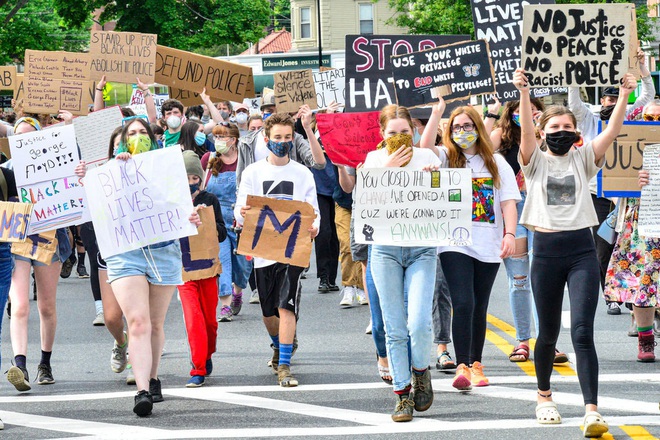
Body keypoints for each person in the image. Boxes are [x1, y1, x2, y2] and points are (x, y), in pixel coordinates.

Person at [513, 67, 637, 437]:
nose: (561, 133)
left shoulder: (584, 160)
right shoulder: (534, 161)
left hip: (581, 250)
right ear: (542, 133)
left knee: (583, 332)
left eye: (567, 128)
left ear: (577, 134)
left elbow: (613, 131)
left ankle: (591, 410)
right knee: (548, 334)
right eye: (554, 129)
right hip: (546, 252)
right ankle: (544, 397)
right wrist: (524, 92)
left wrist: (625, 93)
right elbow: (524, 135)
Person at [104, 118, 202, 416]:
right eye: (131, 134)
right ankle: (142, 389)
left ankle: (154, 375)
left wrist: (191, 217)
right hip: (126, 253)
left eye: (142, 133)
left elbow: (179, 205)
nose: (137, 137)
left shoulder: (166, 167)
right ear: (121, 140)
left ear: (153, 137)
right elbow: (94, 203)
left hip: (163, 252)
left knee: (156, 323)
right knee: (138, 322)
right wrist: (117, 168)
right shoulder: (110, 171)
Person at [422, 100, 519, 390]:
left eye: (468, 126)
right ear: (449, 132)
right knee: (462, 301)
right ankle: (461, 365)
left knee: (479, 305)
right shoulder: (445, 157)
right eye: (457, 127)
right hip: (454, 242)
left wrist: (510, 234)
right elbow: (424, 146)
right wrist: (437, 113)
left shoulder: (497, 162)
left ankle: (477, 364)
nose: (463, 131)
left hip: (488, 242)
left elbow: (508, 202)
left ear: (478, 128)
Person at [363, 104, 442, 422]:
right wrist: (387, 171)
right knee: (394, 328)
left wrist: (435, 180)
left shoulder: (428, 158)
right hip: (385, 251)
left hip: (422, 248)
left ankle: (421, 371)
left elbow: (447, 201)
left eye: (405, 132)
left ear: (415, 131)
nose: (399, 137)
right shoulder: (373, 160)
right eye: (392, 133)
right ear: (382, 135)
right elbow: (365, 204)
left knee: (420, 322)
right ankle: (402, 393)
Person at [234, 113, 320, 388]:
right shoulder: (253, 172)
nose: (282, 142)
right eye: (277, 138)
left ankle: (284, 365)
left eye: (287, 137)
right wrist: (242, 213)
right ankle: (280, 342)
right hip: (263, 249)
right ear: (266, 139)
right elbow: (240, 208)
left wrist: (314, 225)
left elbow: (312, 209)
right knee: (268, 311)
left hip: (293, 249)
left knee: (286, 306)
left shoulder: (302, 173)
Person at [568, 49, 654, 316]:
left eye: (616, 98)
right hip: (597, 194)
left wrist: (642, 69)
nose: (611, 101)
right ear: (602, 99)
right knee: (602, 246)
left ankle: (633, 294)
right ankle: (611, 293)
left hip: (627, 194)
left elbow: (647, 96)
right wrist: (573, 74)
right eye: (608, 97)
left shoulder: (629, 116)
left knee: (629, 245)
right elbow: (574, 104)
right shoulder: (589, 121)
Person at [6, 116, 85, 392]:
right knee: (20, 305)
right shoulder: (6, 170)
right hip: (17, 241)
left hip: (49, 238)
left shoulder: (58, 167)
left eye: (31, 137)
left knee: (46, 306)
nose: (25, 142)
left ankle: (45, 363)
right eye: (20, 138)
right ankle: (20, 364)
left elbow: (77, 188)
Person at [490, 98, 548, 364]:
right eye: (523, 109)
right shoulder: (502, 137)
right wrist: (492, 113)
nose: (531, 113)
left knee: (543, 278)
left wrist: (543, 132)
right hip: (514, 209)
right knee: (520, 279)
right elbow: (482, 149)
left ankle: (548, 341)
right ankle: (523, 341)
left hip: (542, 211)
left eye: (536, 109)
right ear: (511, 113)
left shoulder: (550, 135)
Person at [605, 99, 660, 363]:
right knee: (642, 282)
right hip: (641, 222)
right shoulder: (632, 147)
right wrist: (633, 183)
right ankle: (645, 339)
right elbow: (615, 182)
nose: (654, 122)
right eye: (649, 118)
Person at [178, 151, 227, 387]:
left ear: (200, 178)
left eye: (193, 178)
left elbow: (223, 232)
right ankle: (197, 368)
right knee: (193, 319)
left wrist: (206, 220)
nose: (189, 183)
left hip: (208, 269)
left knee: (209, 321)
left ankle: (207, 354)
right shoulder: (173, 201)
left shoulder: (210, 200)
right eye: (184, 178)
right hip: (183, 270)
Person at [203, 123, 252, 322]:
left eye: (222, 137)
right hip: (217, 219)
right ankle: (225, 305)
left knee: (242, 265)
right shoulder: (209, 159)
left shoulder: (244, 160)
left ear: (233, 140)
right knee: (221, 261)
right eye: (216, 137)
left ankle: (238, 291)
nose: (218, 142)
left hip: (242, 217)